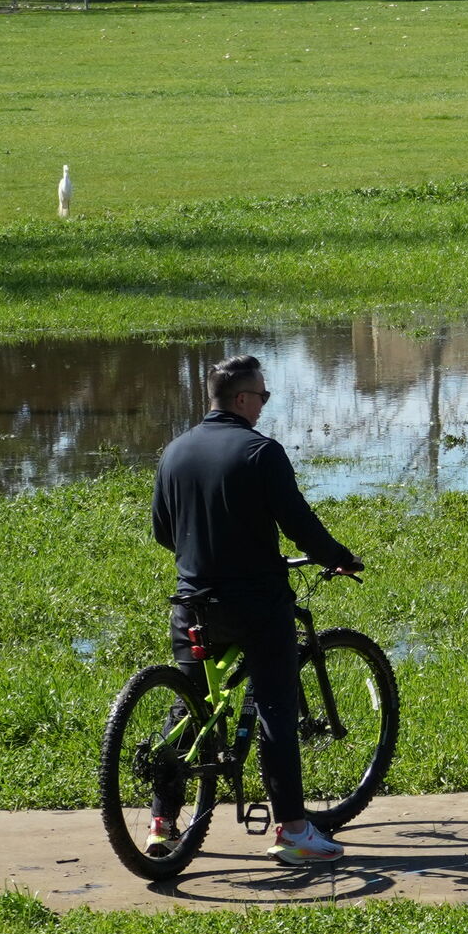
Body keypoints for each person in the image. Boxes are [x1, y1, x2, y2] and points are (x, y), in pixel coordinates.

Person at [149, 354, 363, 863]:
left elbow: (164, 531)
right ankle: (291, 829)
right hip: (256, 605)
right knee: (276, 708)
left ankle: (162, 821)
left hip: (192, 604)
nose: (265, 405)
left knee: (190, 705)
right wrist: (338, 558)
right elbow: (298, 523)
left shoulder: (175, 451)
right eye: (263, 396)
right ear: (243, 399)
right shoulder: (261, 452)